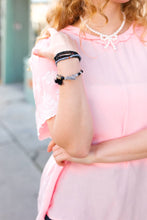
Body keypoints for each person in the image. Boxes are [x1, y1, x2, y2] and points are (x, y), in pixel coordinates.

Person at [30, 0, 147, 219]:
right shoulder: (52, 46)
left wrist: (96, 154)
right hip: (76, 206)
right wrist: (68, 58)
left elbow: (83, 152)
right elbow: (75, 146)